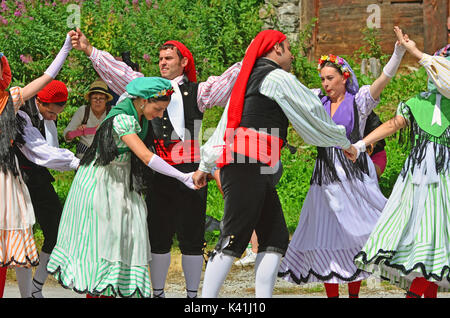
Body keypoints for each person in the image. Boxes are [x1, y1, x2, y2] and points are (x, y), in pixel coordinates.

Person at [69, 28, 242, 298]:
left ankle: (193, 296)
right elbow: (120, 74)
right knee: (157, 234)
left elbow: (225, 82)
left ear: (184, 62)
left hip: (190, 170)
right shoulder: (146, 87)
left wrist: (252, 57)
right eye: (160, 58)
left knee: (192, 236)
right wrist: (90, 51)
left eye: (169, 58)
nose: (163, 62)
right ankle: (158, 292)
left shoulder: (197, 91)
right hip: (156, 170)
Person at [193, 29, 358, 298]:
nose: (292, 55)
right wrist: (343, 142)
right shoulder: (276, 77)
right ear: (277, 49)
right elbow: (313, 111)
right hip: (249, 165)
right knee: (233, 238)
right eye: (289, 48)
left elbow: (227, 123)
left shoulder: (248, 79)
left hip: (252, 166)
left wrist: (205, 164)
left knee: (274, 239)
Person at [278, 27, 406, 298]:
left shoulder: (359, 102)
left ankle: (356, 294)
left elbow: (383, 80)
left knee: (359, 233)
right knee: (325, 236)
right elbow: (291, 90)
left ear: (344, 78)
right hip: (324, 177)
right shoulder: (317, 100)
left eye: (330, 78)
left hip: (353, 176)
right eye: (322, 78)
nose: (325, 84)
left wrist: (398, 53)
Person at [47, 77, 198, 298]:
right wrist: (183, 176)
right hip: (101, 183)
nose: (159, 115)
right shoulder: (122, 119)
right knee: (106, 244)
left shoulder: (139, 116)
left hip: (121, 181)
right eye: (157, 109)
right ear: (143, 101)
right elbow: (146, 157)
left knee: (128, 238)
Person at [354, 28, 450, 298]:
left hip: (444, 180)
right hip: (416, 181)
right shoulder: (417, 102)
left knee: (437, 245)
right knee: (420, 238)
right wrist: (361, 144)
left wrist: (416, 52)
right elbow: (393, 124)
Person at [0, 33, 73, 298]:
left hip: (9, 179)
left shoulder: (11, 101)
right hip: (13, 178)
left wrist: (66, 47)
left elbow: (46, 78)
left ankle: (29, 293)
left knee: (19, 240)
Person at [64, 79, 113, 159]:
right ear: (90, 99)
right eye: (95, 98)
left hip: (106, 155)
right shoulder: (83, 111)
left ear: (106, 100)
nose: (98, 101)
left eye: (101, 98)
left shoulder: (112, 112)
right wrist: (76, 132)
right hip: (84, 155)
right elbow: (67, 135)